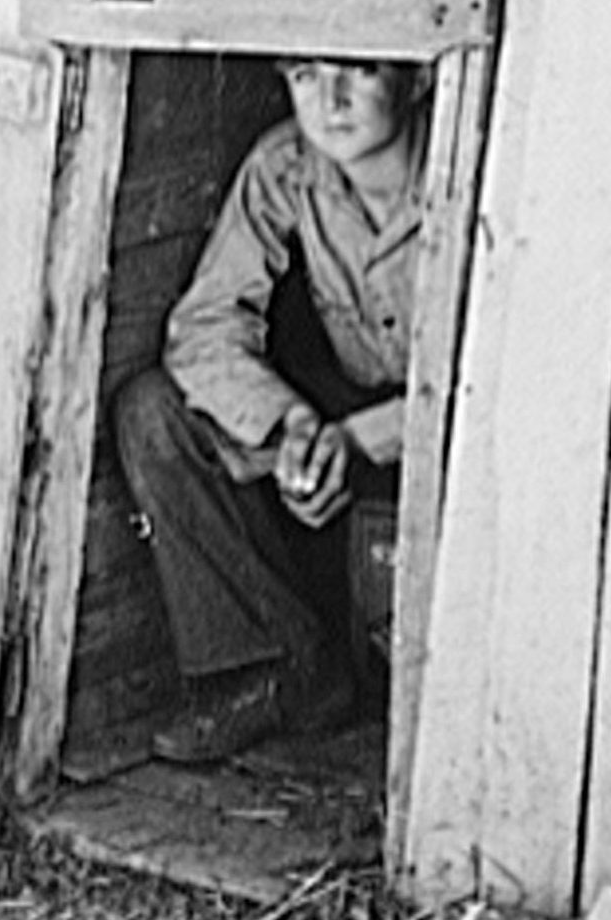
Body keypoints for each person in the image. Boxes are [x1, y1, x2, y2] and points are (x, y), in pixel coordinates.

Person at [109, 55, 428, 764]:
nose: (331, 101)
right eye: (306, 75)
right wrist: (292, 426)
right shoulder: (285, 164)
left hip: (457, 429)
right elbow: (205, 328)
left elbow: (510, 380)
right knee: (155, 413)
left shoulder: (471, 169)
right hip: (343, 413)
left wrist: (364, 440)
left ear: (416, 78)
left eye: (360, 71)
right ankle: (280, 667)